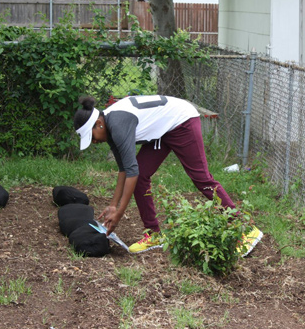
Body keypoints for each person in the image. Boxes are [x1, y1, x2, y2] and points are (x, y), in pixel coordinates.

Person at [73, 94, 263, 255]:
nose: (94, 143)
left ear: (98, 124)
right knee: (141, 176)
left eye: (92, 137)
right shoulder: (110, 126)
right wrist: (113, 206)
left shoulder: (118, 125)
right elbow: (124, 169)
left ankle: (245, 229)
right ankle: (154, 234)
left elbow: (131, 171)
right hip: (162, 129)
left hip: (181, 121)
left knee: (201, 177)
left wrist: (120, 214)